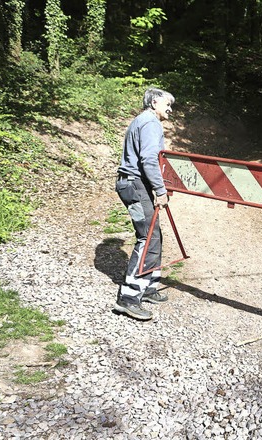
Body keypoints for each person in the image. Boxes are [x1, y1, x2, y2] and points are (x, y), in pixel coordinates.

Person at [114, 87, 174, 321]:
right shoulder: (150, 122)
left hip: (135, 184)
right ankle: (128, 298)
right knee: (147, 238)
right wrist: (160, 190)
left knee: (153, 234)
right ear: (155, 101)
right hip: (136, 184)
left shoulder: (142, 121)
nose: (170, 109)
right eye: (168, 104)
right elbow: (149, 159)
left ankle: (147, 287)